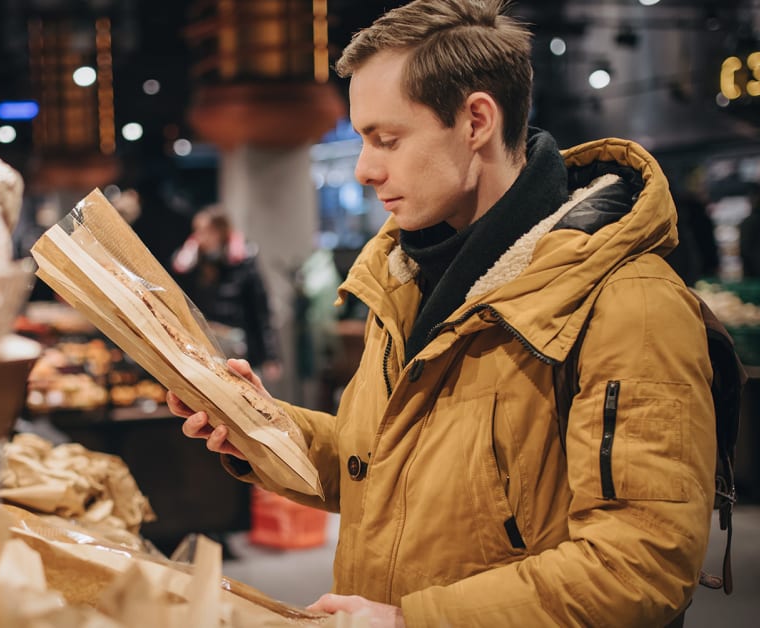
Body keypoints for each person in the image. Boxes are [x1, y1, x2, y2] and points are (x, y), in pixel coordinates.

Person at [167, 1, 716, 626]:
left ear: (476, 119)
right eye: (362, 138)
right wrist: (258, 426)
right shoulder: (405, 281)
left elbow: (640, 561)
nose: (365, 168)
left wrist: (411, 621)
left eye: (387, 138)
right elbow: (375, 472)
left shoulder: (631, 303)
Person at [172, 205, 283, 381]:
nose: (200, 237)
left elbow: (260, 311)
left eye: (205, 231)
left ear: (220, 232)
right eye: (197, 231)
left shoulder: (243, 261)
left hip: (239, 347)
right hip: (207, 346)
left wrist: (270, 356)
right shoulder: (196, 262)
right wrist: (185, 262)